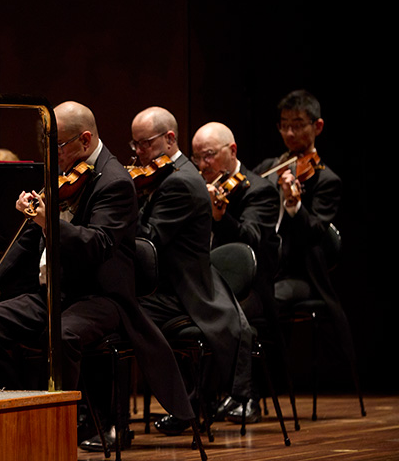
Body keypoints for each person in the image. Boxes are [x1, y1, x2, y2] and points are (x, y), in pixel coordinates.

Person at [0, 101, 193, 450]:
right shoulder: (65, 171)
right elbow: (29, 236)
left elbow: (98, 245)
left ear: (84, 140)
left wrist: (48, 221)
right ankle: (16, 409)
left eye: (55, 145)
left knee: (62, 334)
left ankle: (61, 426)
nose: (49, 153)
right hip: (55, 293)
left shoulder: (115, 182)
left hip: (102, 297)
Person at [130, 106, 252, 435]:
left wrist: (127, 203)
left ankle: (165, 407)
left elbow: (150, 243)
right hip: (173, 285)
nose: (139, 154)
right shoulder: (172, 174)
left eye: (146, 145)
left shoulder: (179, 181)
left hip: (182, 293)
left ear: (170, 139)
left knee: (116, 313)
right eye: (135, 145)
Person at [253, 91, 355, 378]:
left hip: (299, 275)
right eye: (284, 124)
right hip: (266, 267)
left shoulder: (325, 180)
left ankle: (253, 391)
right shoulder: (268, 169)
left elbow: (316, 234)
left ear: (317, 126)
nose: (289, 132)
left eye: (297, 124)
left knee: (262, 303)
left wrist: (295, 203)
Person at [191, 121, 281, 423]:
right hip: (207, 283)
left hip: (251, 290)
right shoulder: (196, 187)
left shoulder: (260, 190)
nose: (203, 165)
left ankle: (239, 396)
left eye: (210, 156)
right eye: (197, 158)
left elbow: (250, 243)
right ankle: (190, 403)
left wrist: (221, 215)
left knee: (217, 313)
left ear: (232, 151)